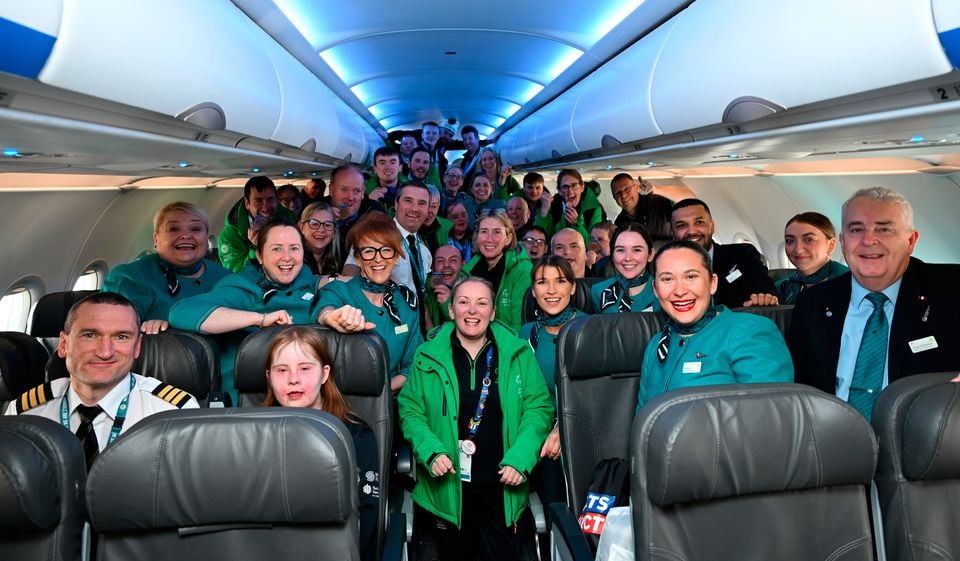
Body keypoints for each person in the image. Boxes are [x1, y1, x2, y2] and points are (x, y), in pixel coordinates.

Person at [398, 277, 553, 561]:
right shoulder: (426, 356)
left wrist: (521, 458)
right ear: (451, 309)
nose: (472, 310)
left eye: (482, 303)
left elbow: (539, 409)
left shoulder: (518, 354)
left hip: (502, 493)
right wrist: (430, 451)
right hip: (444, 495)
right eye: (463, 302)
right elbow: (410, 410)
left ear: (493, 312)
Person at [787, 187, 960, 420]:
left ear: (910, 241)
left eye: (884, 229)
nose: (868, 240)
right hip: (831, 441)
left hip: (923, 443)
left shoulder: (952, 291)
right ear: (842, 241)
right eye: (856, 229)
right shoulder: (814, 302)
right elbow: (798, 386)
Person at [6, 292, 198, 470]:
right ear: (64, 344)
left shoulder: (173, 413)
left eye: (121, 337)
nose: (105, 352)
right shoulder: (25, 412)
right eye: (90, 335)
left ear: (137, 347)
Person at [169, 219, 320, 402]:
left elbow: (324, 287)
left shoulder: (306, 277)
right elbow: (183, 311)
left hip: (304, 390)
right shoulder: (244, 287)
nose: (287, 257)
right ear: (260, 256)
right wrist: (260, 319)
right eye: (276, 249)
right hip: (250, 397)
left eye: (294, 248)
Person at [263, 327, 378, 560]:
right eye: (281, 370)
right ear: (269, 377)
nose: (293, 379)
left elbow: (365, 515)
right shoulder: (253, 436)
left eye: (305, 368)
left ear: (325, 374)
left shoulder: (357, 434)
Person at [637, 241, 794, 408]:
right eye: (667, 279)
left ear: (713, 283)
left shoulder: (750, 331)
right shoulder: (655, 345)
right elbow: (642, 421)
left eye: (691, 276)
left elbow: (771, 416)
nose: (680, 291)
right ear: (655, 289)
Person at [315, 212, 423, 392]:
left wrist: (380, 394)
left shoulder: (406, 302)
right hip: (343, 401)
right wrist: (329, 316)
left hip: (390, 402)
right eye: (368, 251)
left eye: (386, 250)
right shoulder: (342, 291)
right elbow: (324, 308)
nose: (378, 258)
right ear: (357, 257)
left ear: (396, 256)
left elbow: (412, 365)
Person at [102, 202, 231, 334]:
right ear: (156, 239)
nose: (186, 235)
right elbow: (112, 334)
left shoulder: (227, 278)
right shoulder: (129, 278)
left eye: (195, 229)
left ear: (206, 237)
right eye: (174, 229)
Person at [517, 256, 582, 514]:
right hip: (538, 433)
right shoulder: (525, 334)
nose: (552, 290)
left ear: (573, 287)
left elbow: (601, 396)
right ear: (533, 291)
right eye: (543, 283)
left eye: (560, 281)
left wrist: (562, 427)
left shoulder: (592, 327)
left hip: (580, 430)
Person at [670, 198, 779, 307]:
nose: (692, 231)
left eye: (699, 222)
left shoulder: (742, 255)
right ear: (673, 234)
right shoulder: (666, 266)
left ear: (712, 228)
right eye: (681, 225)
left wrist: (764, 297)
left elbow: (763, 285)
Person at [461, 211, 532, 331]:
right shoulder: (467, 271)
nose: (489, 239)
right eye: (484, 231)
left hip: (507, 345)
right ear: (477, 237)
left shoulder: (522, 270)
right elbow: (461, 319)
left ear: (508, 238)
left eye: (497, 232)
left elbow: (519, 326)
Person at [218, 175, 298, 273]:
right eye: (258, 201)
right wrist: (256, 249)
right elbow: (237, 273)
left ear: (276, 200)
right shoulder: (229, 236)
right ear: (247, 204)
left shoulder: (292, 221)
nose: (265, 207)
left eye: (270, 199)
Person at [776, 212, 849, 304]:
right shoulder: (780, 288)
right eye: (790, 241)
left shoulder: (852, 284)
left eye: (809, 240)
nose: (798, 250)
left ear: (831, 245)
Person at [590, 223, 658, 313]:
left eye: (637, 250)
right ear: (612, 255)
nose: (628, 258)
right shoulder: (598, 291)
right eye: (620, 250)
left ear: (650, 255)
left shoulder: (664, 290)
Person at [534, 169, 606, 245]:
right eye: (565, 187)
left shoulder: (593, 209)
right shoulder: (552, 207)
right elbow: (537, 238)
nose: (570, 191)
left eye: (574, 185)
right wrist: (544, 212)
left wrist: (576, 224)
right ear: (559, 191)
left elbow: (594, 244)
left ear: (582, 187)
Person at [328, 164, 385, 254]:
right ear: (331, 189)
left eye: (356, 191)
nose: (350, 197)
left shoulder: (374, 213)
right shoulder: (314, 212)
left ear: (362, 192)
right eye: (344, 190)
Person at [610, 173, 673, 243]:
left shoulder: (658, 203)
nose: (623, 195)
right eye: (617, 193)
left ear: (637, 187)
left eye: (626, 189)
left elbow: (685, 198)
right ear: (614, 198)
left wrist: (657, 190)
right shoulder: (620, 223)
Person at [298, 201, 343, 280]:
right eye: (314, 224)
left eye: (328, 225)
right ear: (302, 228)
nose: (321, 229)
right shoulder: (294, 259)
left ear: (334, 231)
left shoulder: (340, 258)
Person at [425, 244, 463, 328]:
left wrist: (448, 303)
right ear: (432, 267)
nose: (446, 265)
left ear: (463, 264)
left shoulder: (473, 289)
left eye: (453, 260)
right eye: (440, 261)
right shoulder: (424, 292)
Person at [365, 146, 406, 212]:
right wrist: (371, 204)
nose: (388, 167)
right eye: (382, 163)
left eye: (392, 162)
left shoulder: (414, 193)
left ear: (400, 168)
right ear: (375, 169)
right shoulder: (364, 195)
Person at [419, 185, 453, 255]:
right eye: (425, 205)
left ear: (439, 205)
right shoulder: (408, 228)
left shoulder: (447, 228)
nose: (429, 211)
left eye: (433, 206)